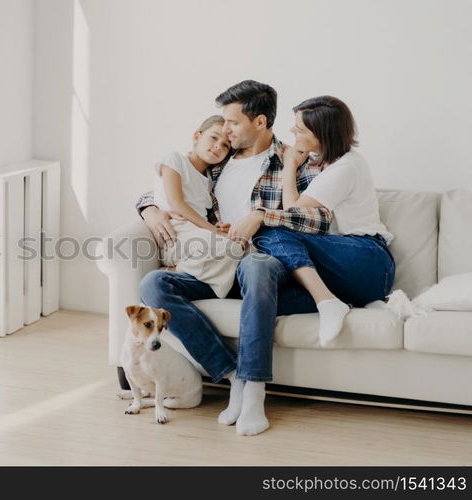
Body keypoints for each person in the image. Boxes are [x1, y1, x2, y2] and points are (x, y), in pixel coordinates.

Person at [138, 80, 333, 436]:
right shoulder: (219, 159)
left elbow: (320, 220)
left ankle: (255, 389)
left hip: (263, 262)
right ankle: (232, 376)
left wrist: (262, 215)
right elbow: (173, 184)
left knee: (256, 266)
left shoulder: (294, 160)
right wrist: (148, 208)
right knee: (153, 284)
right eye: (222, 124)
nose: (224, 131)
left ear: (259, 122)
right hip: (216, 265)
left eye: (232, 123)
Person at [255, 96, 395, 345]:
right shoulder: (324, 164)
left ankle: (326, 301)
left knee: (268, 230)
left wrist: (289, 165)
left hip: (367, 258)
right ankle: (346, 301)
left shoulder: (346, 167)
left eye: (299, 130)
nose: (292, 132)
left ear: (321, 135)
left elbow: (292, 213)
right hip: (348, 272)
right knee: (262, 297)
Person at [154, 115, 244, 298]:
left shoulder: (210, 181)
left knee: (243, 248)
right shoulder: (175, 159)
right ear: (197, 136)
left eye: (226, 145)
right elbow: (177, 204)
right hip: (175, 233)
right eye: (213, 137)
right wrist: (213, 231)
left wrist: (218, 228)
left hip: (197, 232)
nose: (219, 145)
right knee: (229, 248)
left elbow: (203, 214)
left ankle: (197, 281)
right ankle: (175, 270)